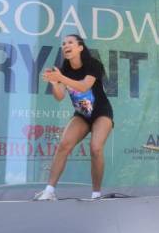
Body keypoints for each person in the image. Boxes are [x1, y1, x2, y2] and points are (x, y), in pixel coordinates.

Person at [35, 34, 113, 200]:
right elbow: (59, 96)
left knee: (96, 148)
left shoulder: (93, 64)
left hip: (101, 112)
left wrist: (60, 78)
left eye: (70, 42)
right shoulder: (64, 69)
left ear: (80, 47)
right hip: (82, 114)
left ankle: (96, 193)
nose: (65, 46)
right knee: (64, 145)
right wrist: (55, 84)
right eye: (63, 44)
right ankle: (49, 191)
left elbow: (84, 86)